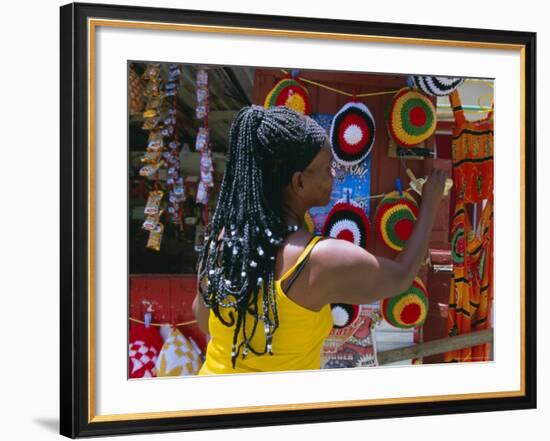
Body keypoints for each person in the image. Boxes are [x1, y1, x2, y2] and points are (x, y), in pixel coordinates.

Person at [192, 104, 447, 375]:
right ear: (299, 182)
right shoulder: (318, 260)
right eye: (327, 169)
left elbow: (204, 320)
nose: (334, 175)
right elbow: (401, 276)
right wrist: (430, 203)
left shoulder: (223, 241)